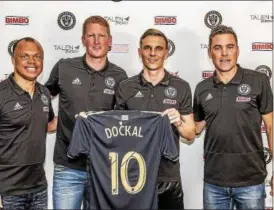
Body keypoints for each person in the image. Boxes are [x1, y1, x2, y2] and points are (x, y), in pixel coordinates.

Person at [45, 15, 128, 209]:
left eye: (102, 36)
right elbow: (42, 96)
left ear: (110, 41)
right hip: (67, 167)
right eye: (91, 35)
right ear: (83, 40)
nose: (97, 41)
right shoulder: (64, 67)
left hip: (104, 168)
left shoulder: (120, 76)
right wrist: (49, 120)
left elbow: (124, 120)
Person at [193, 25, 273, 209]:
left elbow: (271, 127)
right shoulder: (202, 88)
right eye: (217, 47)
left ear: (237, 49)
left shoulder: (258, 81)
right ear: (209, 52)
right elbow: (195, 129)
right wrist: (169, 116)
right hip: (214, 183)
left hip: (251, 182)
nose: (224, 54)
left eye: (230, 47)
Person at [115, 28, 196, 209]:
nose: (153, 53)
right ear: (139, 52)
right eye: (147, 48)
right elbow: (116, 133)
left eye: (158, 48)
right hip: (132, 176)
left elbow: (190, 134)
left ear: (166, 52)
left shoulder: (181, 87)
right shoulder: (125, 87)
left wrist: (178, 121)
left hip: (167, 177)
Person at [0, 37, 57, 209]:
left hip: (39, 187)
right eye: (25, 56)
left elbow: (47, 125)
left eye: (37, 57)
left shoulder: (45, 93)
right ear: (13, 59)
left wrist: (82, 117)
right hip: (7, 191)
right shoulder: (1, 94)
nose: (32, 61)